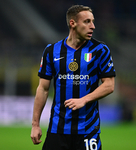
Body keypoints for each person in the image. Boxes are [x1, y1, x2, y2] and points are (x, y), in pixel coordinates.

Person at [30, 5, 116, 150]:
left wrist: (84, 99)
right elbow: (43, 89)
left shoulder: (100, 50)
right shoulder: (51, 51)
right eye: (87, 21)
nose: (93, 26)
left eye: (93, 21)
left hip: (88, 130)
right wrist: (35, 124)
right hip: (58, 129)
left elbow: (109, 85)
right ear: (73, 23)